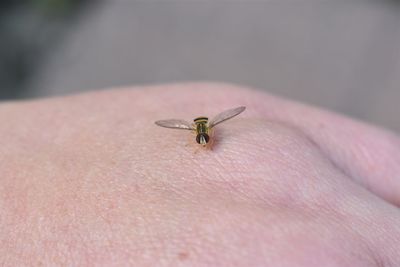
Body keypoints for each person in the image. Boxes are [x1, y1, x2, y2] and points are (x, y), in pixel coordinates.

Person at [1, 83, 399, 266]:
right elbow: (190, 137)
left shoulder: (216, 129)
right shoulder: (190, 132)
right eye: (203, 138)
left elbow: (223, 125)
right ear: (198, 132)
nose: (205, 141)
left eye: (206, 138)